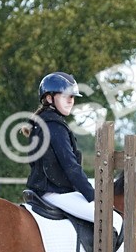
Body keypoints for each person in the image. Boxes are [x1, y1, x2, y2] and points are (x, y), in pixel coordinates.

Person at [24, 71, 121, 234]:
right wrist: (93, 195)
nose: (71, 100)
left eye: (72, 97)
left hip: (46, 191)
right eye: (65, 96)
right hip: (55, 193)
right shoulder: (54, 126)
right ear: (49, 98)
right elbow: (71, 167)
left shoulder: (43, 123)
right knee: (109, 217)